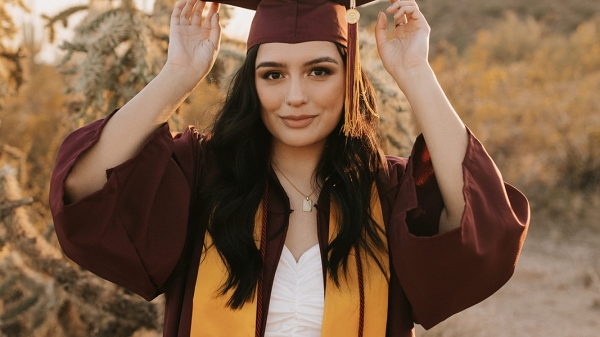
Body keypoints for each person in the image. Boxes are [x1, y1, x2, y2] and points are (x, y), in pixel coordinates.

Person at [49, 0, 530, 336]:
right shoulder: (204, 177)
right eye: (273, 74)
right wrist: (177, 75)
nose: (295, 96)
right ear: (251, 83)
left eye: (320, 71)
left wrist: (416, 74)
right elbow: (84, 192)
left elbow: (484, 231)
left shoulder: (386, 192)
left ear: (350, 79)